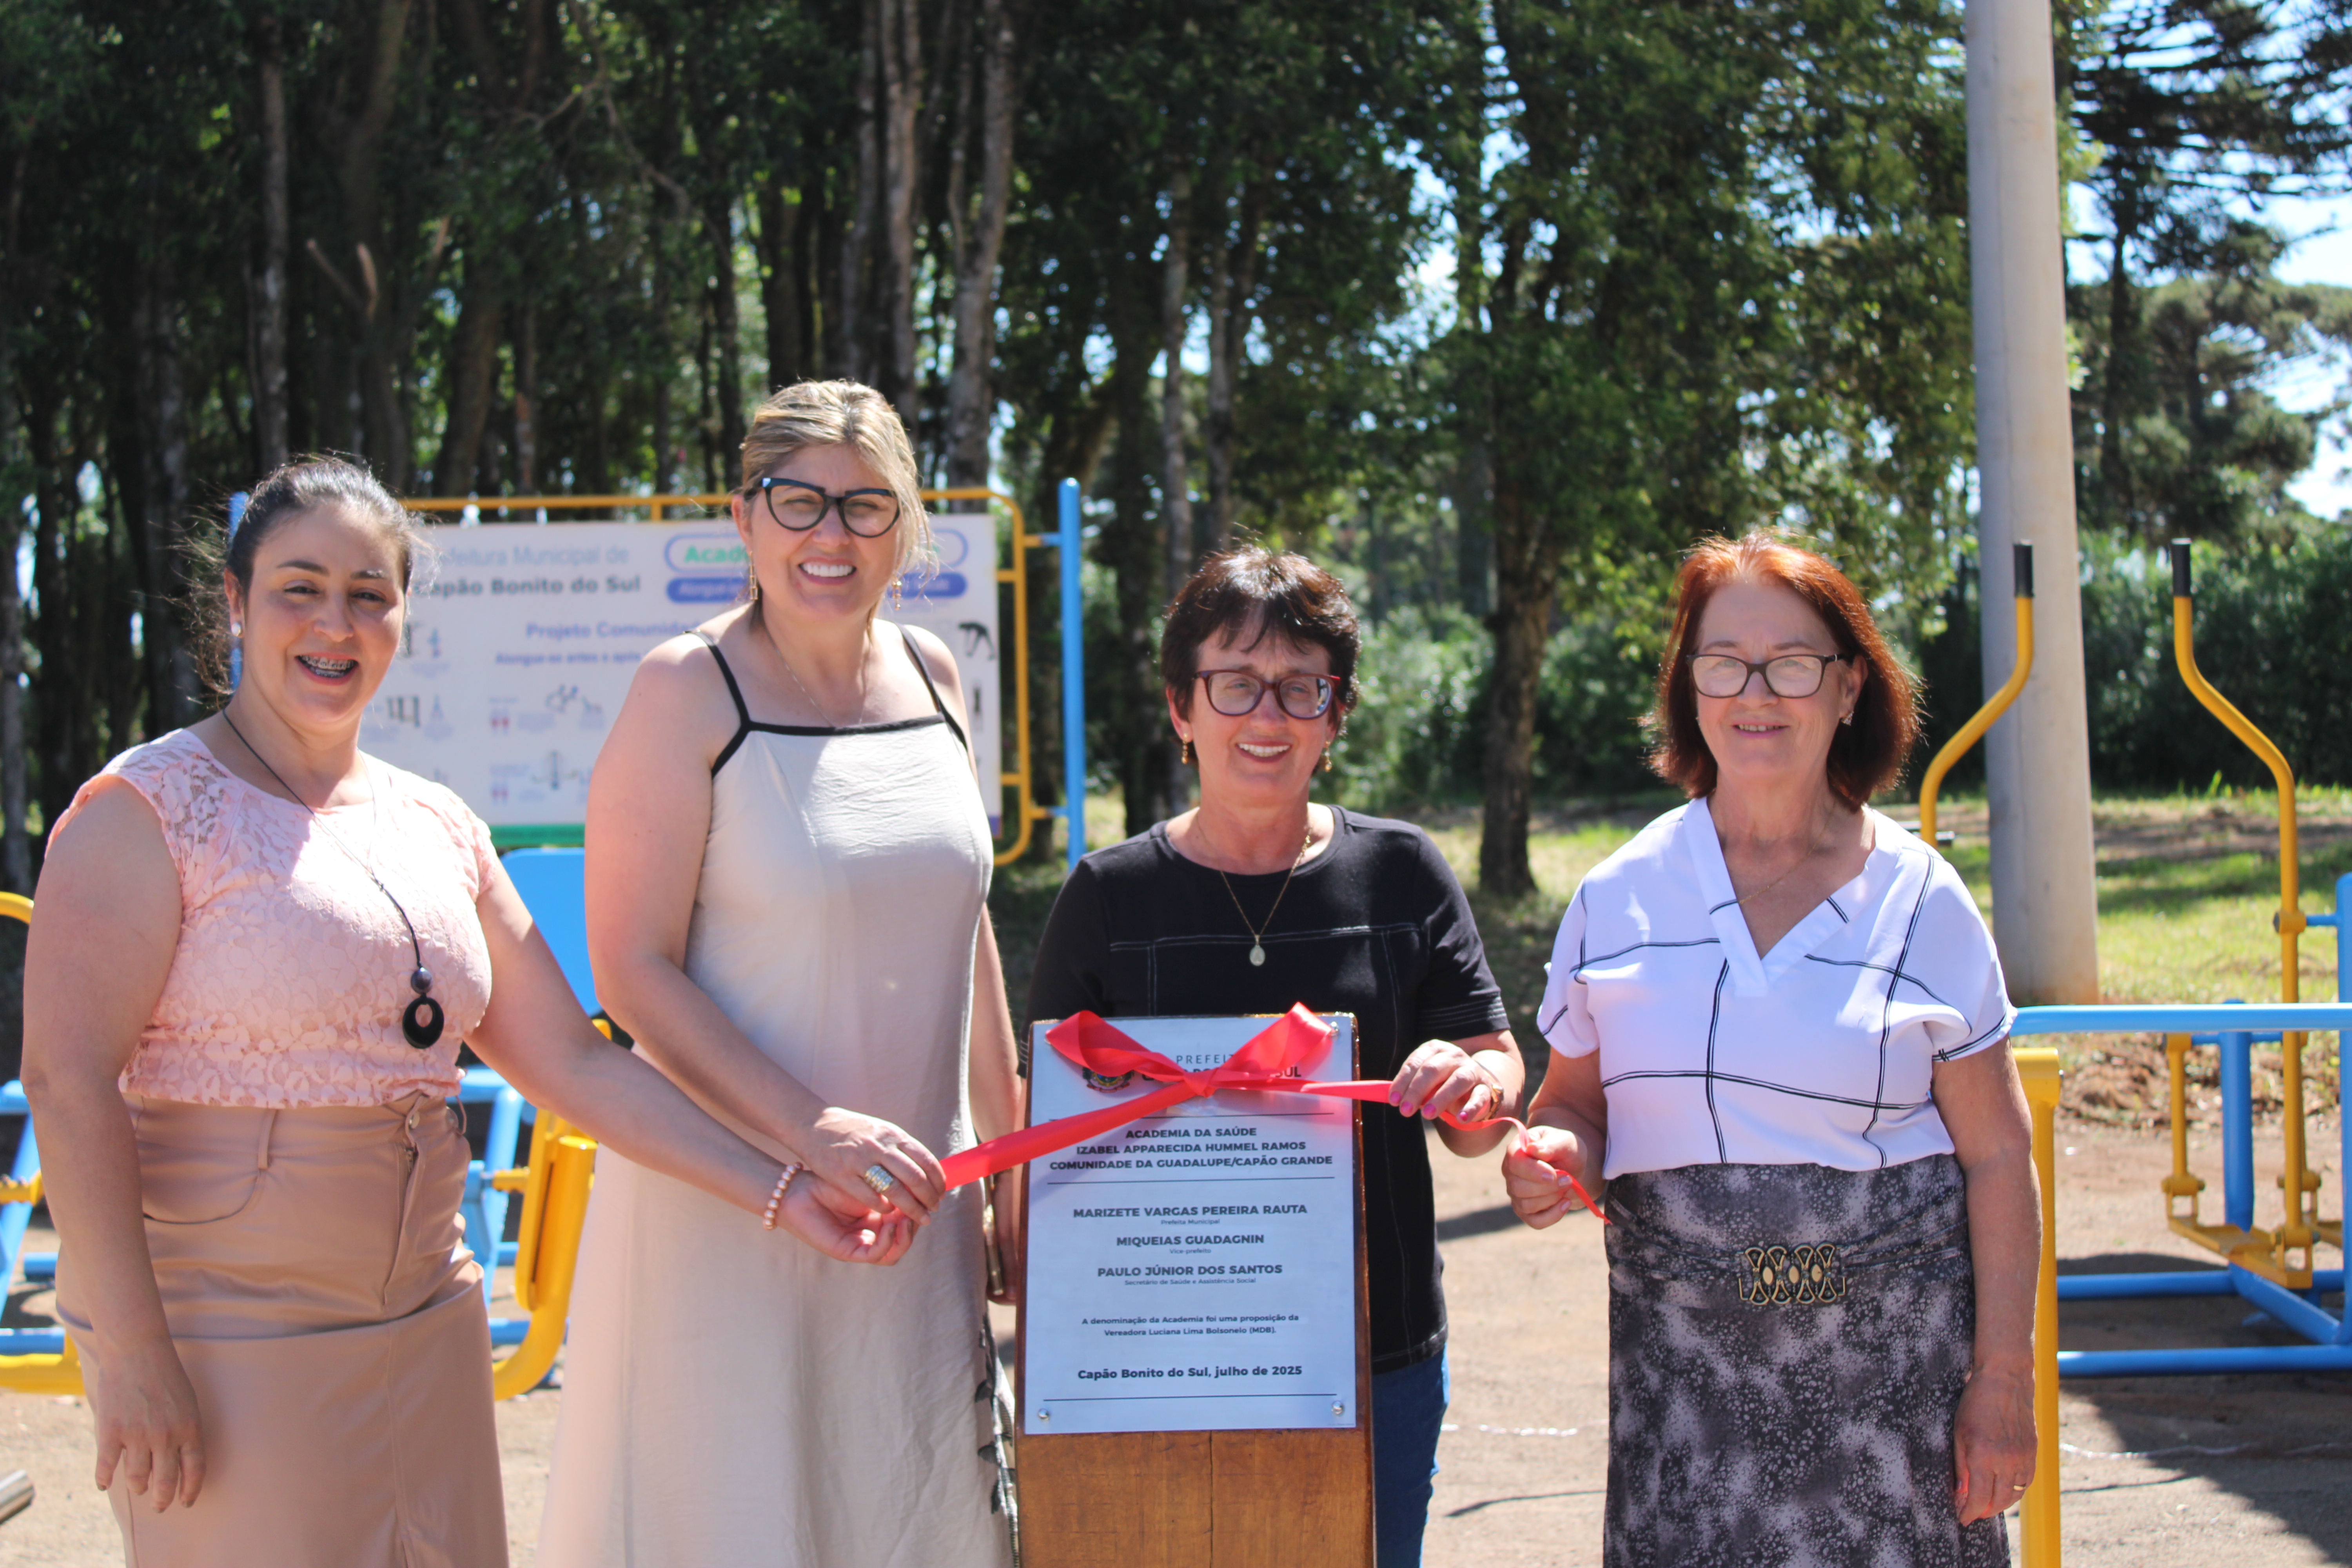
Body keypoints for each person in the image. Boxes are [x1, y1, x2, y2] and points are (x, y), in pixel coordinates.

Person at [23, 457, 909, 1568]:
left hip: (429, 1320)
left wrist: (786, 1187)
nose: (335, 622)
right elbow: (66, 1079)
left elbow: (578, 1070)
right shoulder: (146, 808)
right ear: (236, 604)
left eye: (369, 593)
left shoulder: (436, 821)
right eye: (299, 587)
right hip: (226, 1332)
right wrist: (136, 1351)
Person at [536, 381, 1018, 1568]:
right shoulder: (683, 690)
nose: (830, 536)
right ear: (744, 520)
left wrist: (1009, 1170)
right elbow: (633, 972)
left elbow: (971, 932)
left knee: (907, 1509)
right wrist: (810, 1134)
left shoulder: (940, 678)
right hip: (733, 1208)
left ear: (907, 528)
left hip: (915, 1210)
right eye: (797, 501)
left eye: (865, 507)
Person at [1503, 530, 2038, 1566]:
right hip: (1687, 1422)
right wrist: (1555, 1157)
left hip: (1899, 1411)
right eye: (1724, 661)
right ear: (1689, 687)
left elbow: (1998, 1157)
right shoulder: (1619, 898)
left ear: (1848, 691)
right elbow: (1573, 1106)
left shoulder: (1924, 901)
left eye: (1793, 662)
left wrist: (2003, 1387)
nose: (1758, 691)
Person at [1026, 547, 1525, 1568]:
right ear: (1181, 709)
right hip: (1151, 1364)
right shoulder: (1109, 899)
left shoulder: (1402, 873)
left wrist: (1475, 1084)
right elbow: (1046, 1131)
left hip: (1372, 1360)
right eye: (1237, 683)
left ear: (1336, 716)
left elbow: (1491, 1085)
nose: (1269, 716)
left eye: (1304, 688)